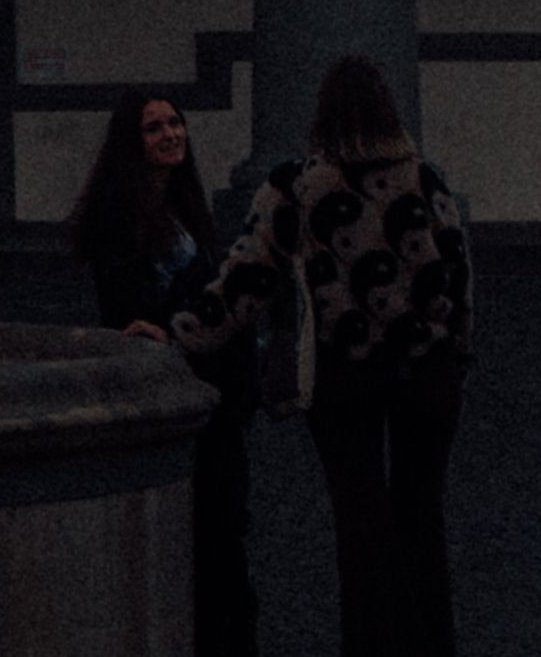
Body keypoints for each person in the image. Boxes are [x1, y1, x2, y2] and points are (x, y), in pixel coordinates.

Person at [175, 53, 473, 657]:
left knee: (359, 522)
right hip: (427, 372)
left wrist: (178, 332)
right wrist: (455, 353)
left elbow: (245, 280)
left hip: (345, 373)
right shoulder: (427, 178)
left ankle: (371, 646)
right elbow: (460, 278)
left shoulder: (297, 185)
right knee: (421, 515)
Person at [70, 88, 257, 657]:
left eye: (175, 123)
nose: (171, 134)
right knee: (206, 537)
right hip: (181, 389)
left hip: (213, 387)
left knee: (224, 534)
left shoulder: (183, 209)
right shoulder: (117, 218)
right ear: (133, 142)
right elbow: (127, 308)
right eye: (154, 128)